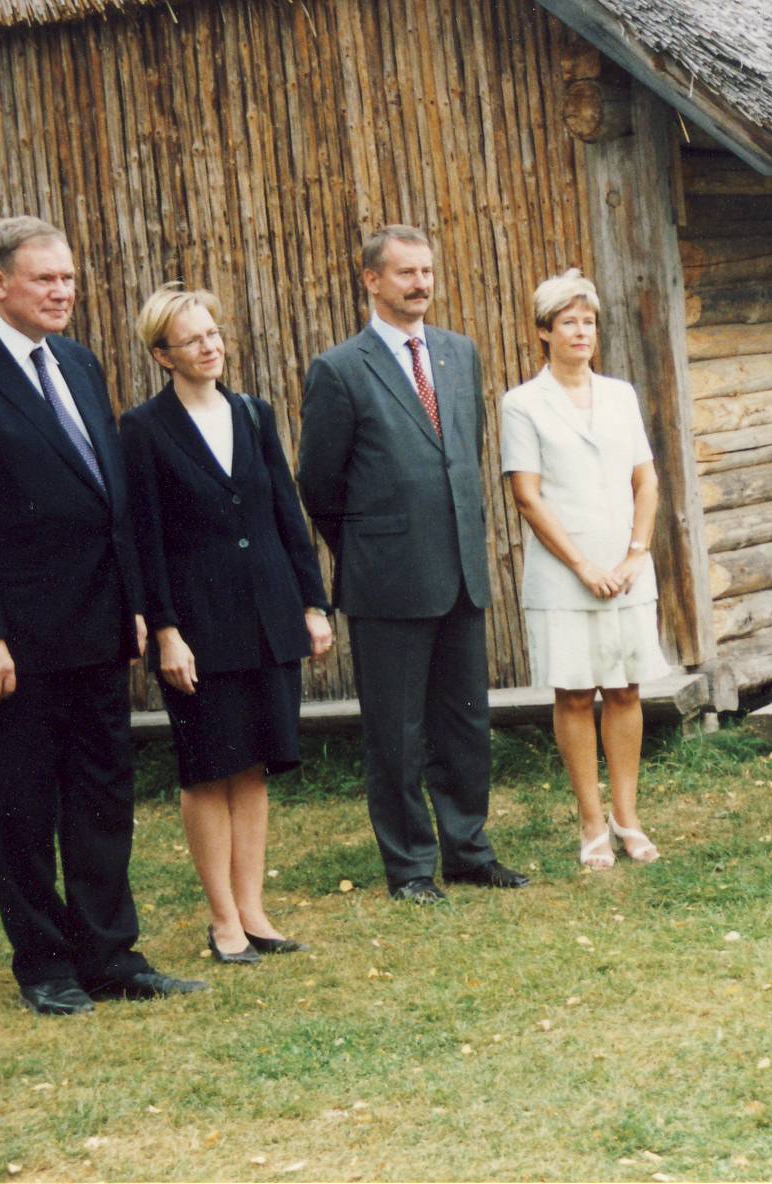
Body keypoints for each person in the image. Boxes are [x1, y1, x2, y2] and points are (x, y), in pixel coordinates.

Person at [0, 216, 206, 1014]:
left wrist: (135, 605)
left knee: (103, 795)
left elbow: (110, 499)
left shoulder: (77, 362)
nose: (63, 291)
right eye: (45, 279)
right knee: (23, 804)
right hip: (14, 643)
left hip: (98, 625)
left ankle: (112, 955)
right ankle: (45, 965)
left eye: (68, 278)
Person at [298, 224, 526, 903]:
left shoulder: (459, 354)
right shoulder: (340, 369)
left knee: (464, 724)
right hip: (387, 580)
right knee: (396, 735)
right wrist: (374, 545)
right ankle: (409, 867)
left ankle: (469, 849)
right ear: (371, 280)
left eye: (426, 271)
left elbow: (466, 455)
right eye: (405, 273)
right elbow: (319, 484)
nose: (421, 284)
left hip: (459, 572)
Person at [121, 283, 333, 963]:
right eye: (192, 340)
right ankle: (222, 922)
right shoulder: (144, 429)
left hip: (268, 613)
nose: (209, 347)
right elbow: (145, 539)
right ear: (163, 354)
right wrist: (167, 631)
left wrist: (311, 602)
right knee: (209, 769)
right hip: (199, 625)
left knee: (254, 768)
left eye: (213, 334)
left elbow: (285, 515)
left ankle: (255, 911)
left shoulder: (252, 412)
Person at [501, 270, 667, 869]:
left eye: (588, 321)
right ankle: (592, 823)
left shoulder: (620, 395)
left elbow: (645, 479)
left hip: (626, 569)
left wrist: (634, 554)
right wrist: (582, 565)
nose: (581, 332)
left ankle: (628, 817)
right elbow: (527, 495)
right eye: (568, 322)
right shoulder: (522, 404)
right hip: (564, 573)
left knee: (625, 688)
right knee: (574, 694)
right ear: (544, 331)